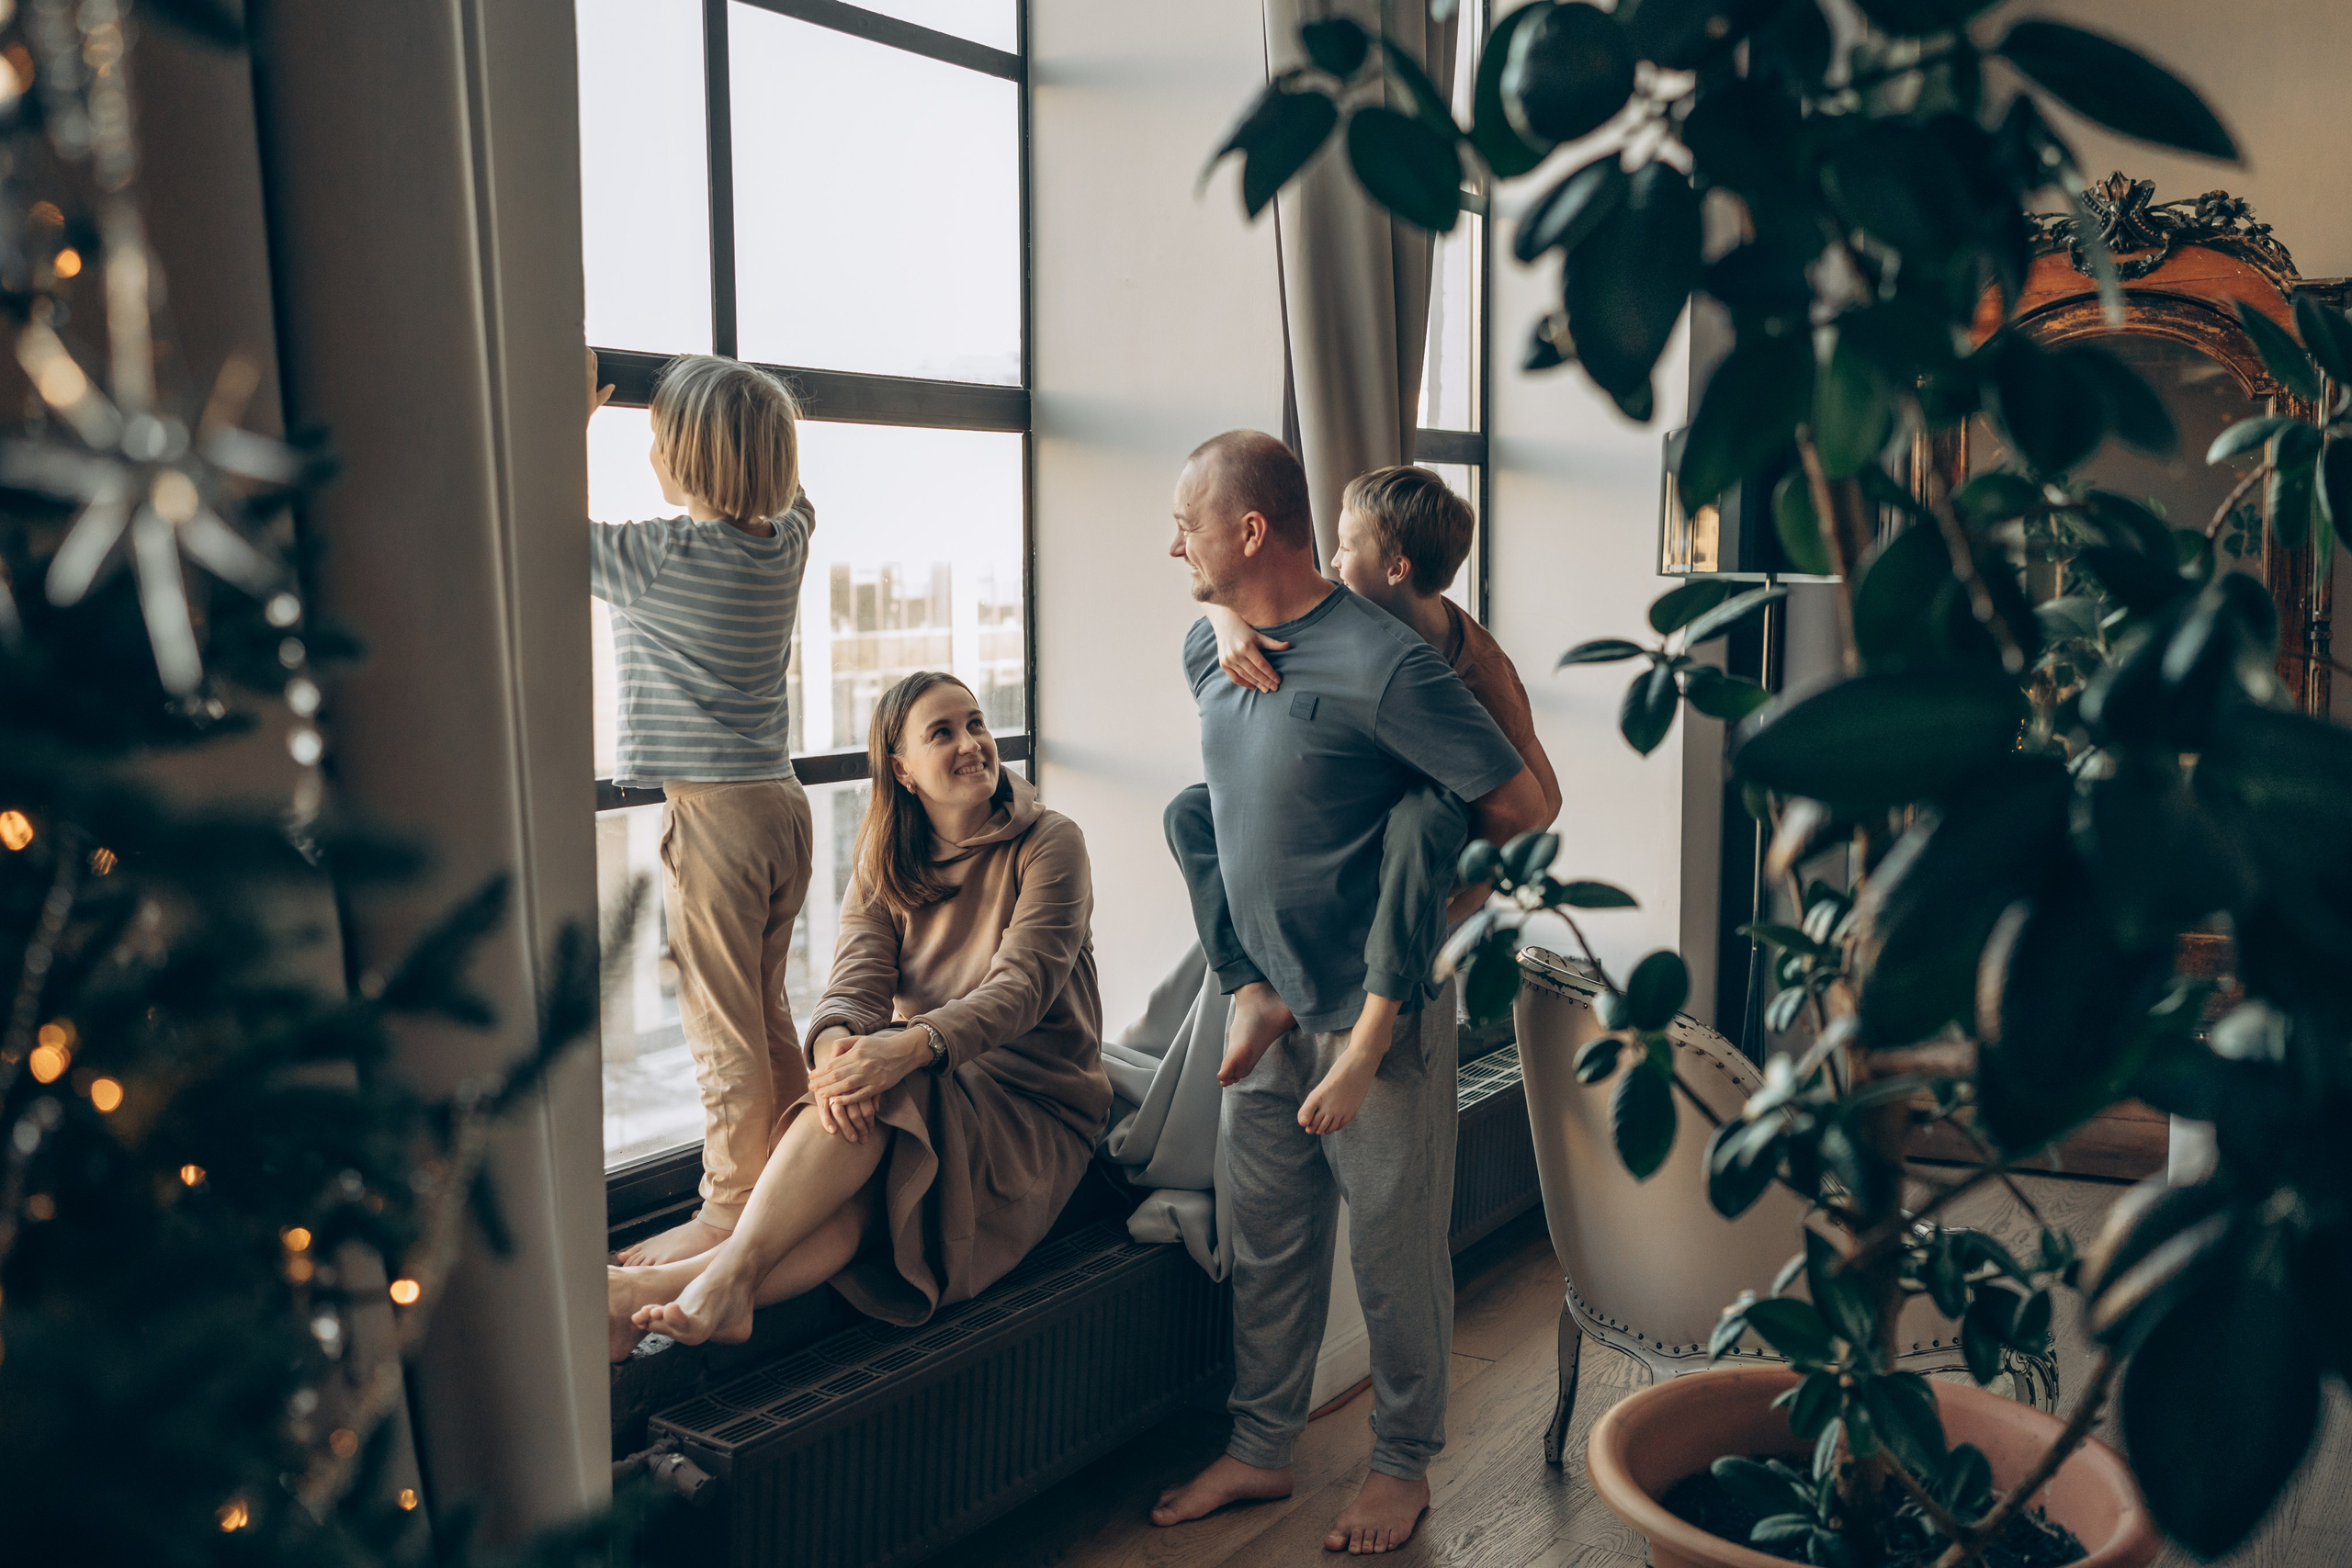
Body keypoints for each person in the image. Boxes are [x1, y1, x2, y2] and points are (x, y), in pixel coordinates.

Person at [1151, 434, 1553, 1553]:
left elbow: (1520, 808)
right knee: (1270, 1243)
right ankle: (1260, 1449)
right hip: (1265, 1007)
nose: (1169, 538)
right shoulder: (1208, 643)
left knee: (1390, 1252)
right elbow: (1216, 650)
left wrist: (1437, 920)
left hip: (1371, 1015)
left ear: (1248, 531)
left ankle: (1401, 1465)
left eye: (1186, 519)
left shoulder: (1388, 665)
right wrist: (1228, 618)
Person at [607, 671, 1110, 1357]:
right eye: (943, 732)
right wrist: (838, 1055)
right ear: (902, 770)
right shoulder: (885, 859)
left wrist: (905, 1049)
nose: (972, 744)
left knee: (889, 1085)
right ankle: (700, 1291)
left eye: (977, 723)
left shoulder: (1052, 841)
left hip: (1029, 1105)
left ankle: (671, 1286)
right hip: (936, 1089)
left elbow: (1020, 988)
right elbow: (852, 989)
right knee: (864, 1175)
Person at [1170, 463, 1564, 1130]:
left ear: (1397, 568)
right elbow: (1227, 582)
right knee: (1187, 808)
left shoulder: (1466, 669)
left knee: (1423, 815)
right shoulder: (1336, 618)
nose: (1331, 558)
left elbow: (1538, 804)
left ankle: (1373, 1033)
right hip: (1353, 846)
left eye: (1348, 546)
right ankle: (1251, 988)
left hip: (1431, 842)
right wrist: (1222, 618)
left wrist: (1460, 899)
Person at [588, 349, 821, 1269]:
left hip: (718, 821)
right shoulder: (788, 542)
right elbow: (798, 497)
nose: (647, 453)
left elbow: (540, 525)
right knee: (762, 1010)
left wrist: (566, 416)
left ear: (681, 459)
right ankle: (793, 1179)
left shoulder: (656, 558)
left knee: (721, 1025)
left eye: (654, 439)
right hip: (781, 806)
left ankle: (729, 1212)